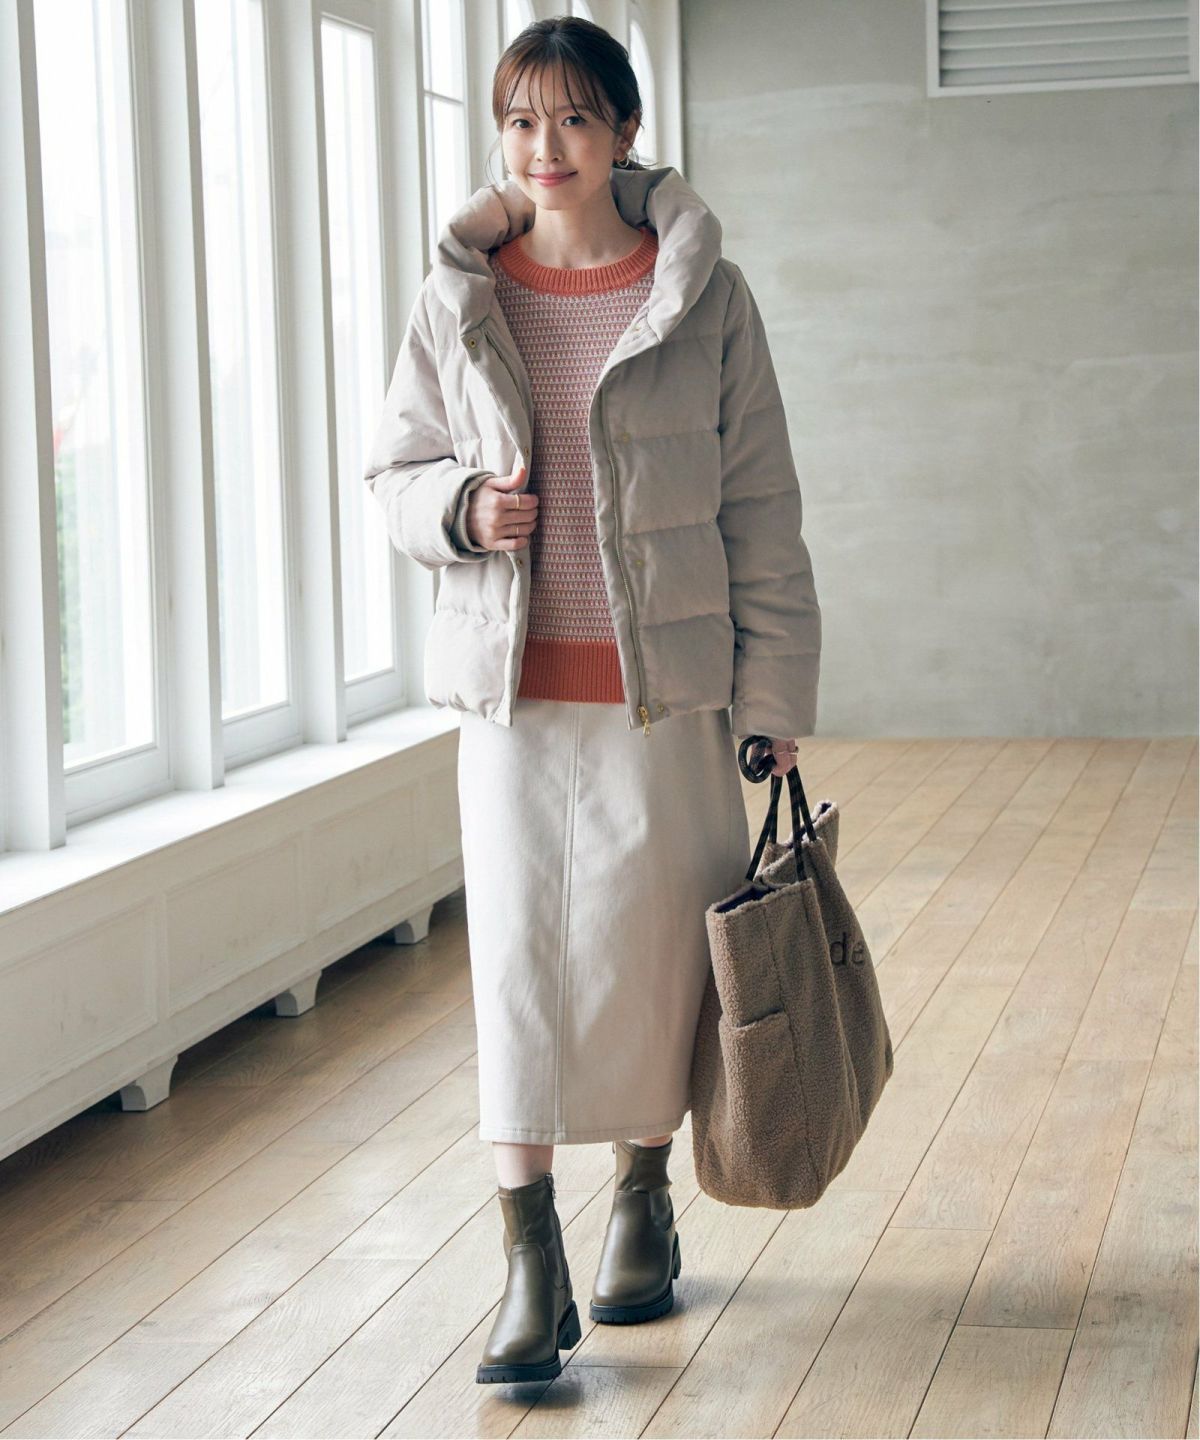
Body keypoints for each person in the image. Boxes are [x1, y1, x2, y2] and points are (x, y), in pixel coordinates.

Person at [363, 14, 820, 1388]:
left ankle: (642, 1202)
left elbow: (762, 510)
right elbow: (395, 475)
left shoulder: (706, 297)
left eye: (571, 118)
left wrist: (772, 692)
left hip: (666, 697)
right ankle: (529, 1265)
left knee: (660, 961)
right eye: (519, 120)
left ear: (625, 130)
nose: (542, 147)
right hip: (510, 700)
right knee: (517, 972)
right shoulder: (458, 297)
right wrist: (462, 508)